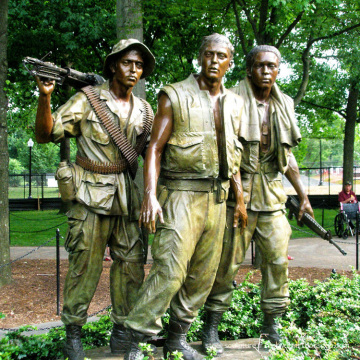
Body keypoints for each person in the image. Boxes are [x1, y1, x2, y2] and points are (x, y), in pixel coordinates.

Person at [123, 33, 247, 360]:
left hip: (217, 200)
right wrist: (150, 196)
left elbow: (233, 157)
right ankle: (137, 340)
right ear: (200, 57)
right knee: (170, 270)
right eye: (209, 54)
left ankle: (177, 338)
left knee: (202, 276)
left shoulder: (235, 103)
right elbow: (154, 150)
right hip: (180, 194)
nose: (215, 61)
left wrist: (240, 198)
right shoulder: (175, 96)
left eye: (221, 56)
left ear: (229, 62)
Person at [34, 39, 155, 360]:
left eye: (139, 65)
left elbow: (153, 154)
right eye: (128, 62)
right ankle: (73, 332)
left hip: (127, 198)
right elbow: (46, 135)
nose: (133, 70)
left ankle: (122, 330)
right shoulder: (87, 100)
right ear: (114, 64)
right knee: (84, 266)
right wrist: (45, 98)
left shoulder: (145, 110)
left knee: (131, 268)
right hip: (89, 195)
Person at [202, 45, 314, 351]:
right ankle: (211, 325)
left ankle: (272, 323)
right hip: (238, 192)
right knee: (227, 263)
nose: (266, 71)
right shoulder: (230, 99)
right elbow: (226, 153)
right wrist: (238, 197)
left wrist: (302, 195)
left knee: (277, 260)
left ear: (278, 71)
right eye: (260, 66)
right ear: (250, 69)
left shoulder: (284, 103)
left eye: (272, 67)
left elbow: (287, 157)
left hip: (273, 195)